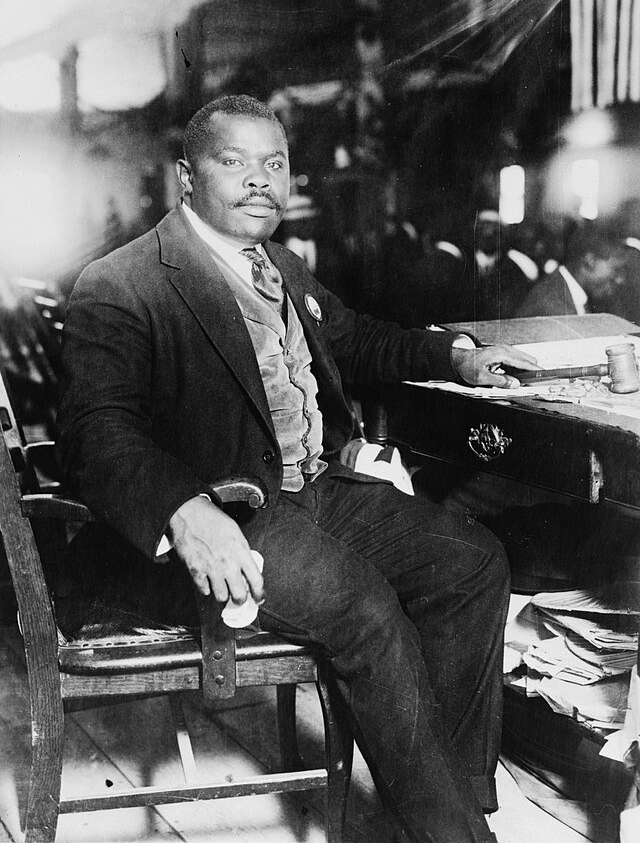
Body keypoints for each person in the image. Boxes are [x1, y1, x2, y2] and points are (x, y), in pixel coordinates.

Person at [57, 94, 538, 843]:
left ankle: (447, 809)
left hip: (312, 491)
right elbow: (96, 432)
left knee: (471, 562)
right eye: (234, 162)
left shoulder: (280, 266)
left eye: (274, 163)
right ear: (187, 177)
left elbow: (358, 339)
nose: (260, 180)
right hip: (228, 512)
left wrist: (456, 357)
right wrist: (186, 510)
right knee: (366, 610)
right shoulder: (122, 281)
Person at [514, 223, 626, 318]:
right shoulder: (554, 306)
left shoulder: (565, 292)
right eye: (615, 269)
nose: (619, 279)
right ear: (590, 261)